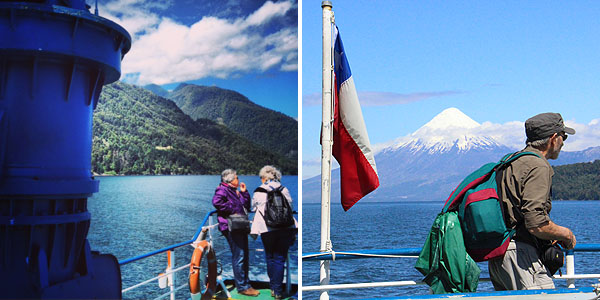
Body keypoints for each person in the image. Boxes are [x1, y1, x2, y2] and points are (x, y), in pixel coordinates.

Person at [489, 112, 577, 290]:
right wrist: (565, 234)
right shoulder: (538, 166)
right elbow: (536, 224)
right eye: (563, 136)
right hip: (522, 256)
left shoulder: (510, 161)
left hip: (500, 254)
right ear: (553, 138)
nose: (563, 142)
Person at [251, 166, 297, 299]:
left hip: (267, 229)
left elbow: (254, 207)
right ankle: (277, 290)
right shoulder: (284, 189)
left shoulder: (259, 191)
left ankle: (273, 287)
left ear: (264, 177)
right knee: (280, 259)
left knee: (270, 257)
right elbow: (290, 207)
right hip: (285, 228)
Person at [212, 169, 259, 297]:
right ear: (230, 180)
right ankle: (243, 287)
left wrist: (244, 193)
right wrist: (235, 210)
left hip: (239, 225)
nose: (238, 180)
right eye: (237, 178)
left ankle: (245, 284)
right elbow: (217, 202)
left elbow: (246, 205)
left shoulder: (233, 191)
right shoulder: (222, 190)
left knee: (243, 255)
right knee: (239, 255)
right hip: (231, 226)